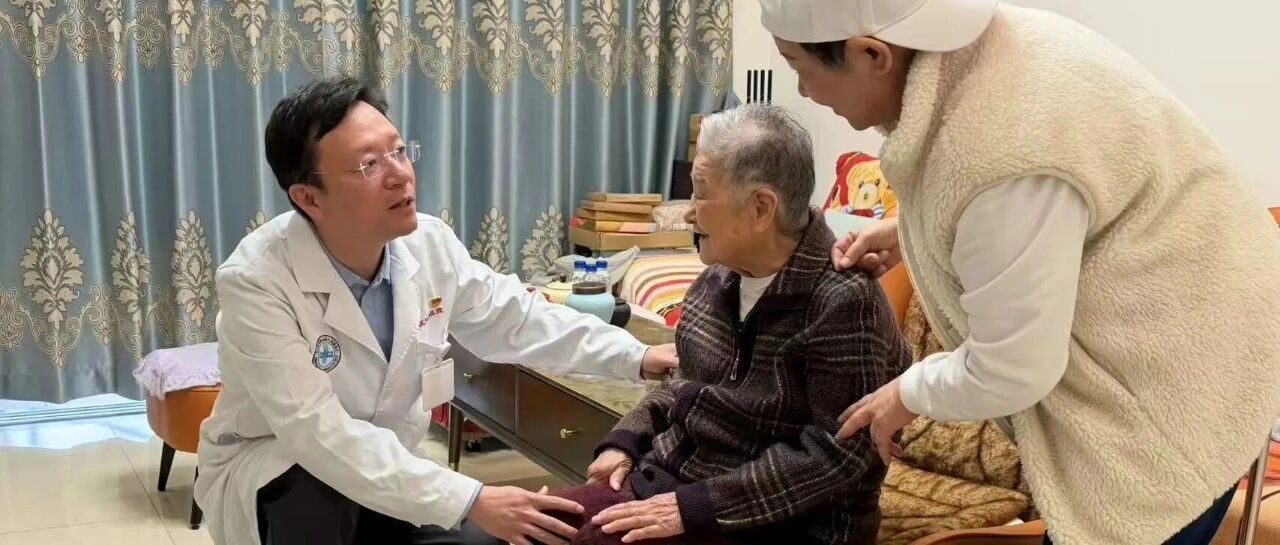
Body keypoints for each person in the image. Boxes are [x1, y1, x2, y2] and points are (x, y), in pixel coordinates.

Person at [756, 1, 1280, 544]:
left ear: (872, 54)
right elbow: (1027, 204)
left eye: (799, 67)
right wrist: (906, 230)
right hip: (1202, 315)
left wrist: (905, 395)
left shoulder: (998, 142)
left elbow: (1011, 368)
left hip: (1190, 383)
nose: (804, 92)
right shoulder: (988, 55)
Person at [194, 76, 678, 545]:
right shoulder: (257, 280)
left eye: (399, 151)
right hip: (282, 470)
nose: (400, 175)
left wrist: (634, 356)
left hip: (396, 474)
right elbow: (315, 432)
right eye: (369, 164)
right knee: (316, 498)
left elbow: (515, 317)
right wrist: (472, 498)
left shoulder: (428, 244)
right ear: (308, 198)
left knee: (489, 539)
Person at [511, 104, 911, 545]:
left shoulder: (843, 301)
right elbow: (681, 385)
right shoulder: (715, 281)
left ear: (761, 207)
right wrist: (623, 441)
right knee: (530, 527)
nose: (688, 213)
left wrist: (695, 507)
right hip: (673, 484)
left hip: (780, 521)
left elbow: (837, 455)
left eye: (700, 194)